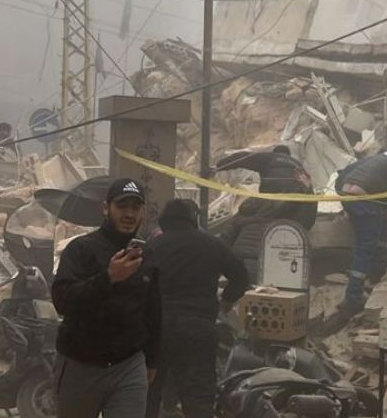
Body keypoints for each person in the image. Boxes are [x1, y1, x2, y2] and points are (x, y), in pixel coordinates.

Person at [52, 178, 161, 418]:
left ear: (143, 212)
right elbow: (62, 301)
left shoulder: (147, 255)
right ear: (105, 208)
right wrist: (109, 278)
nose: (129, 214)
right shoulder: (81, 249)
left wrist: (152, 359)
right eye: (122, 206)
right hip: (80, 364)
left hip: (128, 365)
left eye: (136, 207)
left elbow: (153, 311)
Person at [146, 199, 248, 418]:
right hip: (198, 328)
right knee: (198, 397)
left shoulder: (153, 246)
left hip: (157, 330)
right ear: (193, 219)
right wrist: (227, 300)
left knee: (149, 394)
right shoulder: (212, 244)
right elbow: (240, 275)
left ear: (164, 221)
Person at [328, 140, 387, 327]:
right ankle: (353, 298)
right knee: (366, 246)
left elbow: (345, 173)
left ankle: (374, 275)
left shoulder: (385, 156)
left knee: (383, 229)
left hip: (350, 193)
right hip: (365, 198)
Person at [217, 145, 317, 284]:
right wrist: (309, 191)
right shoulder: (298, 167)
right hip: (269, 260)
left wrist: (219, 166)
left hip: (238, 258)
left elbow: (244, 158)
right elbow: (306, 220)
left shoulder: (249, 208)